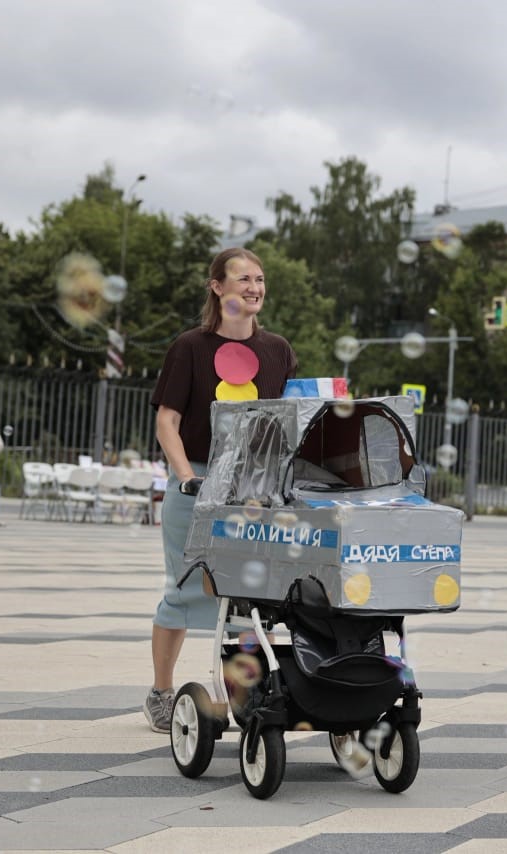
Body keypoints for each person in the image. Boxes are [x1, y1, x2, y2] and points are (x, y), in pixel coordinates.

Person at [143, 247, 298, 732]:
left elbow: (289, 420)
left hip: (255, 487)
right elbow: (167, 419)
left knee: (252, 596)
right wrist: (185, 473)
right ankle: (161, 692)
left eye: (260, 279)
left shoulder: (278, 350)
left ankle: (247, 691)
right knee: (184, 590)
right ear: (217, 287)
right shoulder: (190, 346)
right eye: (244, 279)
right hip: (198, 479)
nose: (255, 287)